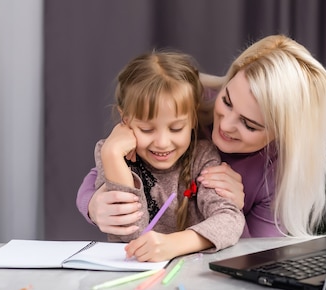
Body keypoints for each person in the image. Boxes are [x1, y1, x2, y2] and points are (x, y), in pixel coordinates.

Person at [77, 34, 326, 238]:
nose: (226, 124)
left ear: (282, 134)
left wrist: (234, 210)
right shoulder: (188, 106)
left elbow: (253, 259)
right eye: (227, 100)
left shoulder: (277, 174)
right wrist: (92, 204)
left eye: (249, 124)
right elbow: (105, 168)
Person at [92, 50, 244, 262]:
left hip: (191, 273)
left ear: (192, 119)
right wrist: (112, 155)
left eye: (176, 128)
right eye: (146, 129)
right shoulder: (111, 153)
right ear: (125, 119)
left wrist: (175, 244)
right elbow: (128, 234)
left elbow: (230, 220)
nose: (162, 143)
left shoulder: (203, 157)